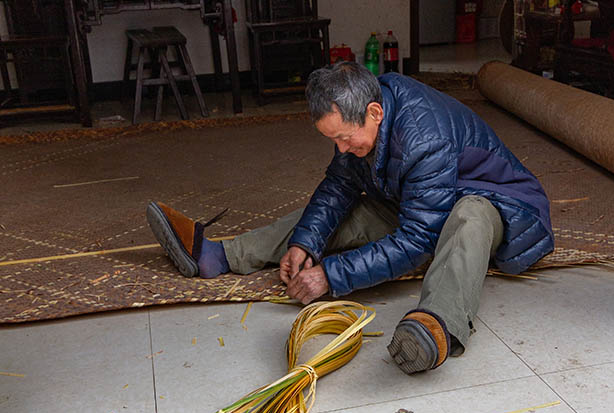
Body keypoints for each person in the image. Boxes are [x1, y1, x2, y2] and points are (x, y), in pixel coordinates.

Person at [146, 62, 554, 374]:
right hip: (427, 200)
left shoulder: (424, 136)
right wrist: (304, 243)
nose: (340, 149)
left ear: (374, 112)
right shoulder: (363, 120)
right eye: (332, 139)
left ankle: (438, 325)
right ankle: (217, 255)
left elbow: (417, 241)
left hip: (501, 207)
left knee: (469, 216)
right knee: (353, 208)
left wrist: (331, 276)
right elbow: (338, 187)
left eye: (343, 138)